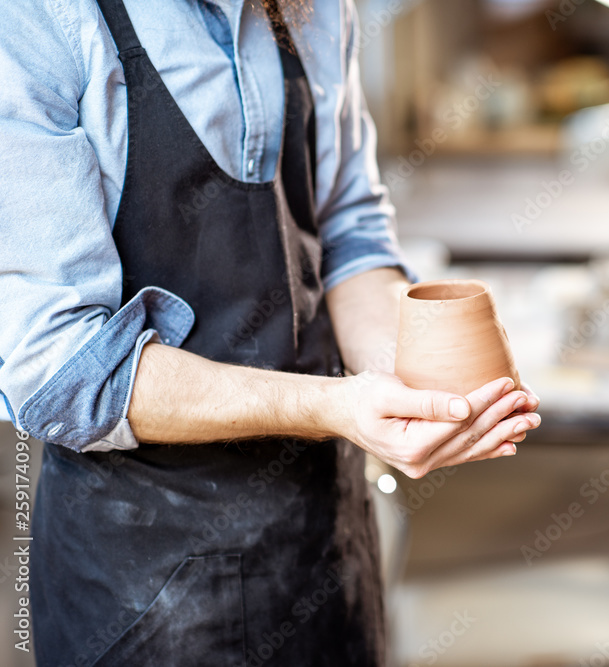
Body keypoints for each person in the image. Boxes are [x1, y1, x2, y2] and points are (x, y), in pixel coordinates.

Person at [0, 1, 541, 665]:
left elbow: (347, 229)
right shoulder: (38, 21)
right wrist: (332, 406)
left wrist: (413, 385)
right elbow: (64, 371)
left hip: (324, 548)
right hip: (143, 587)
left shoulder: (312, 9)